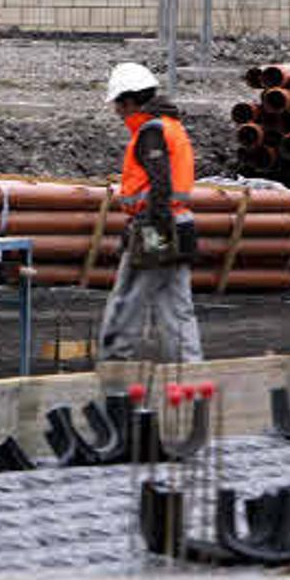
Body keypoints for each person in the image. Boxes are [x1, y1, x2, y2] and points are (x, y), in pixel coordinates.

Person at [97, 62, 203, 362]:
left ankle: (114, 368)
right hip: (179, 225)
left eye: (118, 104)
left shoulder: (151, 132)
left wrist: (149, 233)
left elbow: (160, 185)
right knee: (177, 308)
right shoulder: (171, 127)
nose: (117, 111)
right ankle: (191, 376)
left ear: (129, 101)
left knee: (128, 300)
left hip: (156, 226)